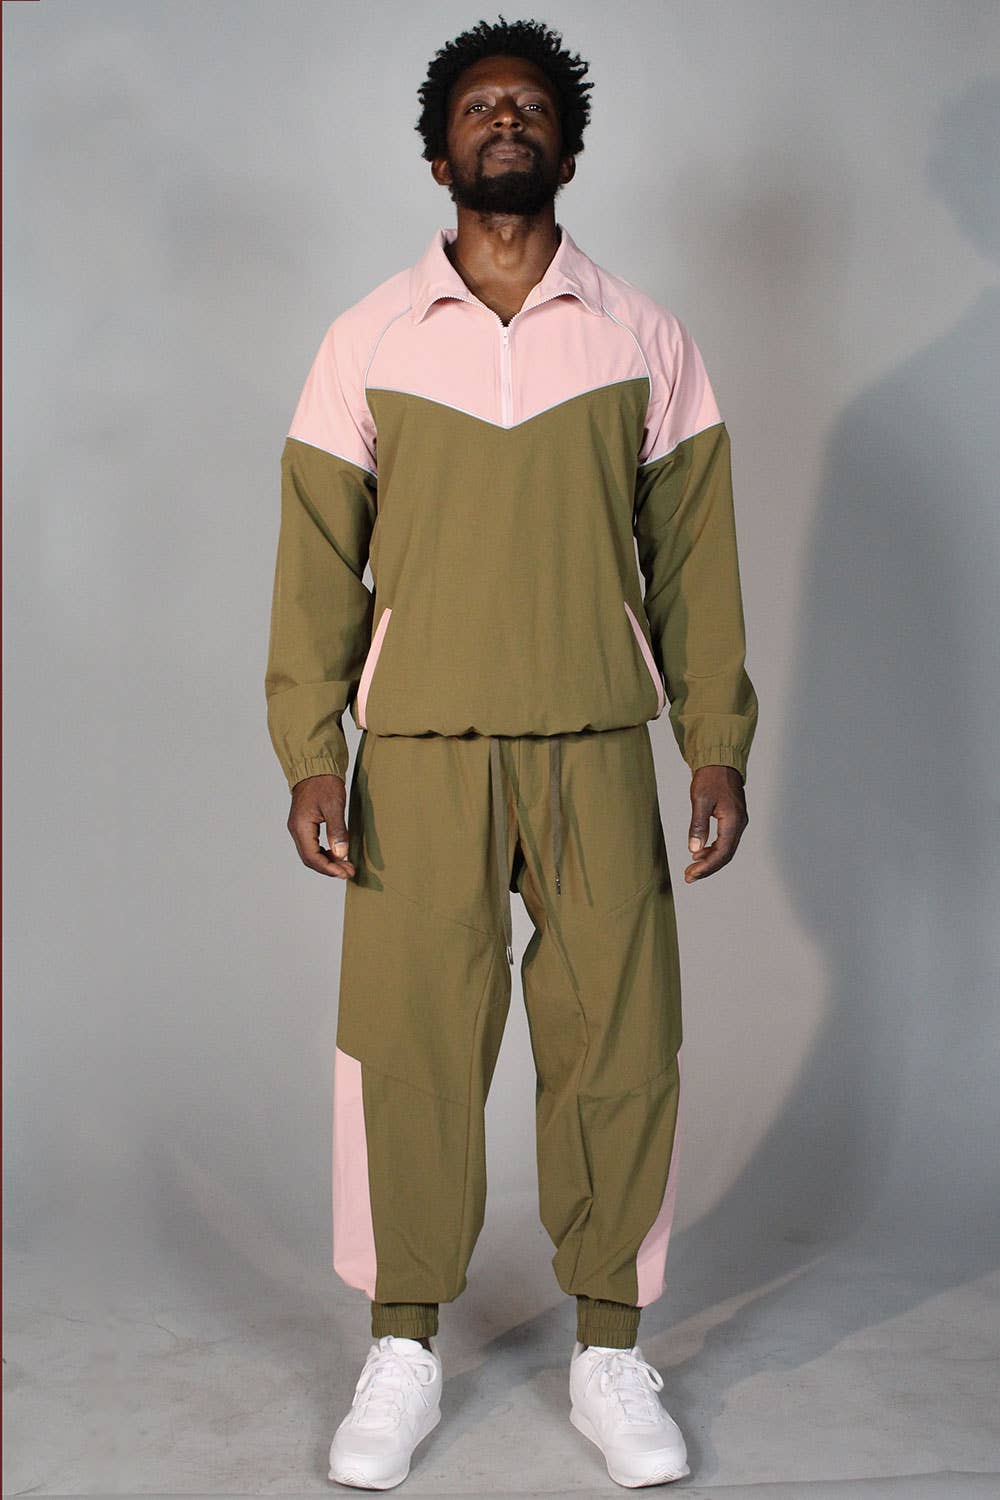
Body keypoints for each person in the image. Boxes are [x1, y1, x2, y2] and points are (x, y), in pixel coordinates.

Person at [265, 14, 758, 1490]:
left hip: (597, 740)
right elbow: (316, 565)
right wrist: (310, 750)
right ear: (439, 154)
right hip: (418, 748)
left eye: (530, 105)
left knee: (621, 1047)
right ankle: (401, 1347)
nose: (504, 120)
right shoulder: (366, 338)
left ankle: (609, 1348)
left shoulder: (642, 336)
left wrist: (715, 743)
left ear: (569, 147)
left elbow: (695, 561)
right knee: (408, 1049)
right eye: (479, 106)